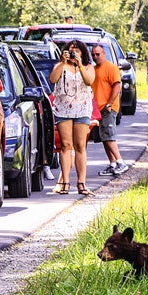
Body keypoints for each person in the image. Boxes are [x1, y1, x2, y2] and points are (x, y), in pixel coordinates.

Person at [48, 39, 95, 195]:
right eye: (71, 50)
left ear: (82, 52)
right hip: (63, 109)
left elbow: (89, 81)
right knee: (66, 145)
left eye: (77, 50)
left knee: (80, 145)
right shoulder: (60, 66)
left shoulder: (88, 67)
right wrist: (63, 62)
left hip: (82, 109)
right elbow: (53, 79)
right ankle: (65, 182)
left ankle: (81, 183)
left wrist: (80, 64)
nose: (74, 52)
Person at [91, 44, 129, 176]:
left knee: (109, 135)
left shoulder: (111, 68)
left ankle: (121, 162)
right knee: (103, 137)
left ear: (103, 54)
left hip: (108, 108)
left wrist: (109, 103)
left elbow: (117, 86)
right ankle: (112, 164)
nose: (95, 56)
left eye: (98, 54)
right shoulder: (93, 69)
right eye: (93, 54)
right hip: (97, 109)